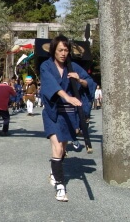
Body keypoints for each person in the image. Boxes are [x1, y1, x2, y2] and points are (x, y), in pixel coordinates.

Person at [40, 35, 94, 202]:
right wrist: (67, 97)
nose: (63, 53)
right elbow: (52, 86)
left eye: (66, 50)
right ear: (53, 51)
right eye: (60, 50)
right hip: (53, 112)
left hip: (69, 114)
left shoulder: (74, 67)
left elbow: (90, 83)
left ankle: (53, 171)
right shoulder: (46, 66)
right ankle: (60, 186)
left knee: (63, 149)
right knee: (56, 147)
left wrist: (81, 80)